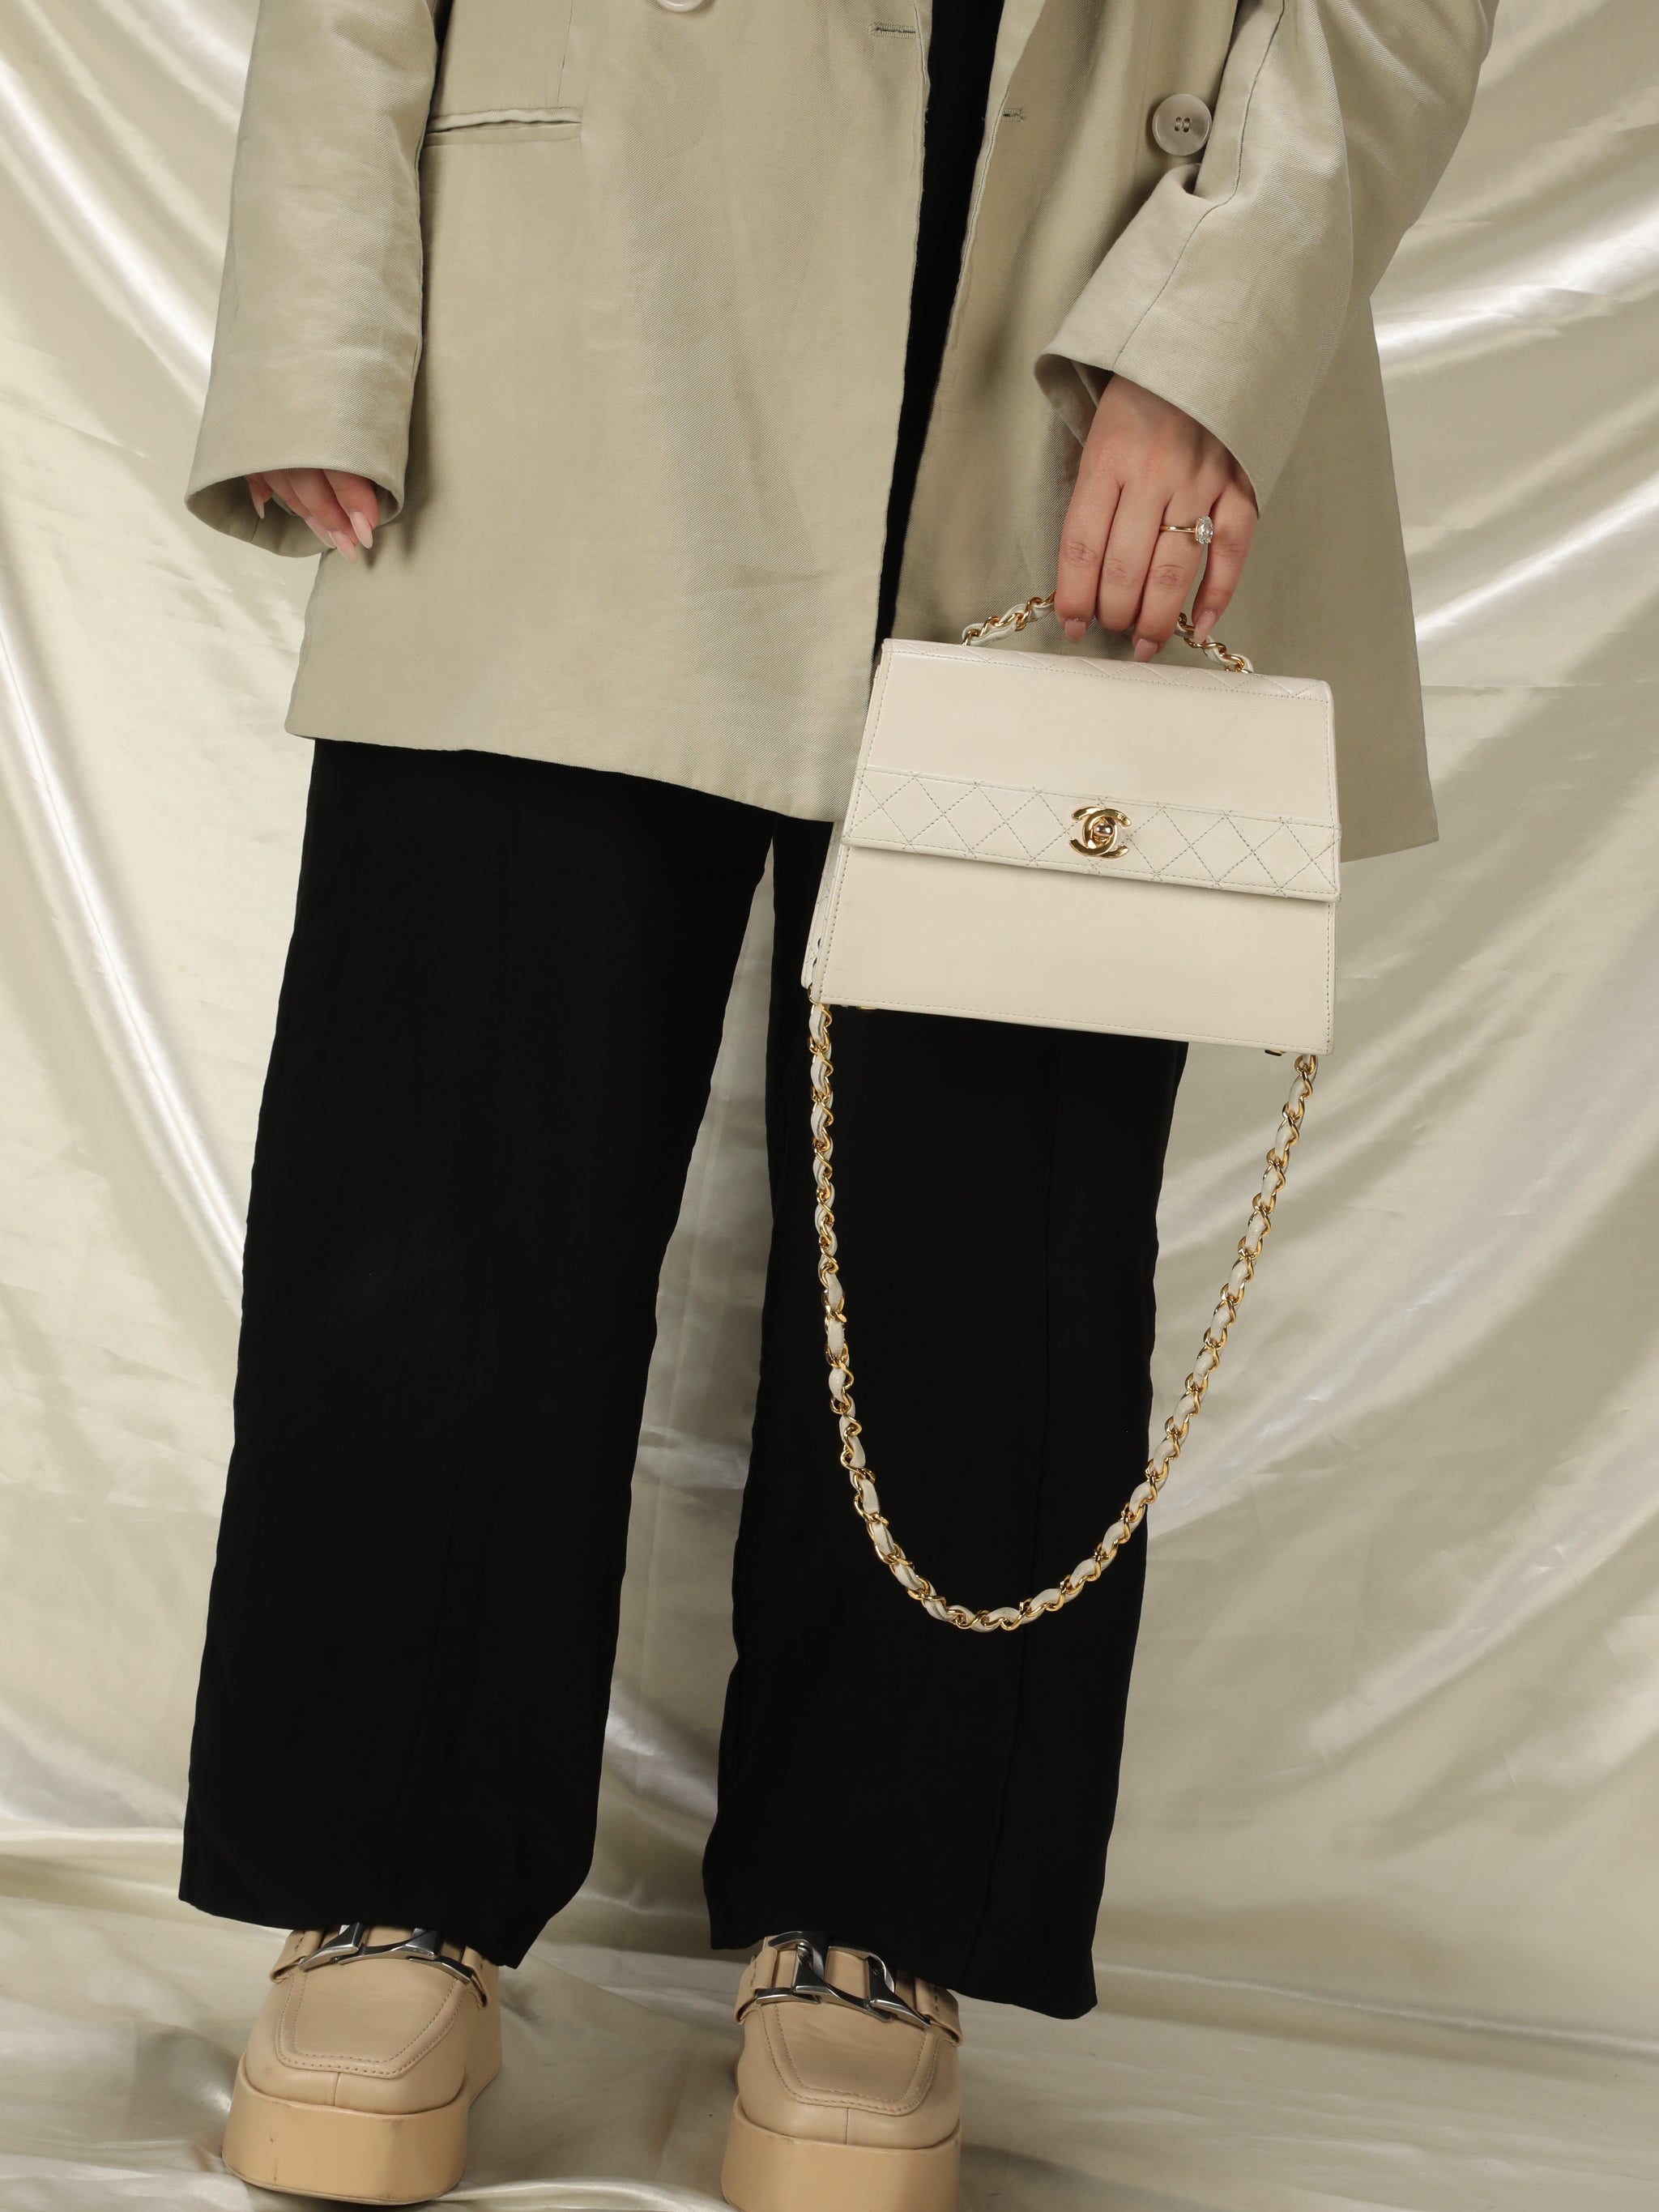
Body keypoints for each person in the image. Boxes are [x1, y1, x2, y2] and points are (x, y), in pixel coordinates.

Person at [180, 2, 1495, 2206]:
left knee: (985, 1201)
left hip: (1092, 253)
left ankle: (880, 1914)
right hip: (576, 269)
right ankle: (384, 1876)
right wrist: (323, 311)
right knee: (456, 1143)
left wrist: (1213, 322)